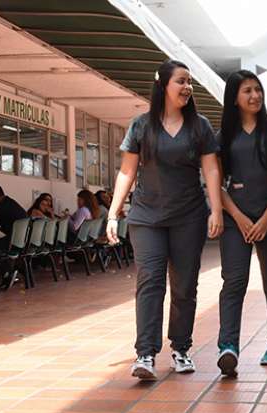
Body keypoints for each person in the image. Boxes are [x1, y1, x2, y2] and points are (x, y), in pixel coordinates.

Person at [106, 59, 223, 381]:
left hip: (189, 217)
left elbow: (211, 168)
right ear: (163, 85)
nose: (188, 87)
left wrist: (216, 209)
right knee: (150, 282)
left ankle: (181, 348)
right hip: (146, 217)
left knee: (185, 286)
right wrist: (113, 213)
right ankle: (145, 353)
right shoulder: (141, 125)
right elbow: (127, 170)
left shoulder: (199, 126)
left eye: (190, 83)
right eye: (181, 81)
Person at [215, 70, 267, 377]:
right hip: (237, 221)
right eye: (247, 90)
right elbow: (216, 184)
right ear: (235, 97)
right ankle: (228, 347)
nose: (255, 96)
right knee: (234, 281)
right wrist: (239, 217)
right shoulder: (223, 137)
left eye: (257, 90)